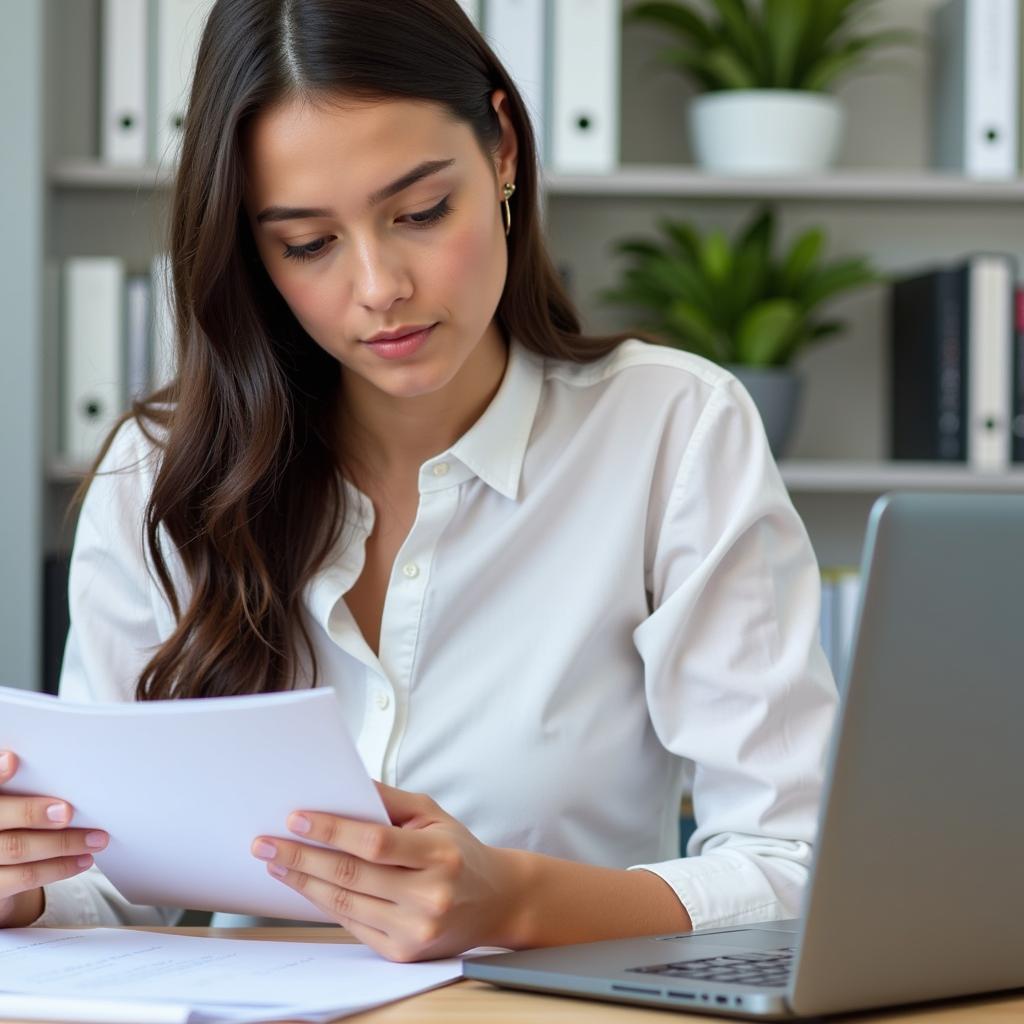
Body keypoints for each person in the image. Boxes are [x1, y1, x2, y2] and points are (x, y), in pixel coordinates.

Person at [0, 0, 838, 962]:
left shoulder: (673, 431)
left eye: (422, 211)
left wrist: (518, 900)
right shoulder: (159, 473)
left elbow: (795, 861)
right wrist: (24, 887)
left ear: (505, 152)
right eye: (307, 244)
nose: (379, 287)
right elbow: (106, 879)